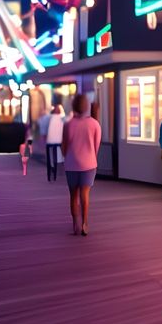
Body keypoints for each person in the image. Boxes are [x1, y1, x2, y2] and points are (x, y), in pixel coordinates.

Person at [61, 94, 102, 236]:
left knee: (73, 195)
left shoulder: (68, 124)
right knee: (85, 194)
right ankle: (85, 223)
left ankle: (75, 224)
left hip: (71, 164)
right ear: (86, 106)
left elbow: (64, 148)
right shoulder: (95, 124)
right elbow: (96, 146)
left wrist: (69, 155)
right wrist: (91, 157)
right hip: (89, 164)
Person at [42, 103, 66, 182]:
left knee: (51, 158)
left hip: (51, 141)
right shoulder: (62, 117)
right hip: (58, 141)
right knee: (57, 157)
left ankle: (52, 172)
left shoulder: (49, 118)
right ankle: (54, 172)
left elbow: (44, 128)